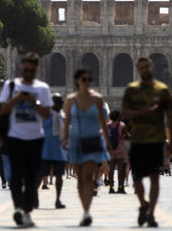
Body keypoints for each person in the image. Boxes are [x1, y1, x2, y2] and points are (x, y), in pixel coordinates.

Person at [0, 52, 53, 227]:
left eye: (32, 69)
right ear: (22, 67)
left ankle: (26, 210)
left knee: (32, 177)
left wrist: (32, 102)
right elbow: (2, 111)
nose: (29, 72)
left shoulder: (42, 88)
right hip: (15, 137)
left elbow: (46, 115)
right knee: (15, 176)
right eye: (26, 68)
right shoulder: (11, 85)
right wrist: (16, 98)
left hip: (35, 138)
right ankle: (19, 208)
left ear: (36, 68)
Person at [122, 57, 172, 228]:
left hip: (156, 139)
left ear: (151, 68)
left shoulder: (162, 90)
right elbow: (125, 113)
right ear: (138, 69)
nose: (145, 70)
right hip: (137, 139)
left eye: (147, 67)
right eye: (142, 67)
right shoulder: (132, 90)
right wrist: (143, 111)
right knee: (136, 178)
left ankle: (151, 213)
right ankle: (143, 204)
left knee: (155, 178)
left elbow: (170, 117)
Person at [62, 68, 111, 227]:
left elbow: (104, 122)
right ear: (77, 81)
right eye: (84, 80)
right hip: (76, 141)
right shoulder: (70, 100)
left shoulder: (98, 99)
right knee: (80, 179)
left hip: (93, 140)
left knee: (88, 177)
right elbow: (66, 121)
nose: (87, 82)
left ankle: (86, 211)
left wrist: (107, 141)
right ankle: (84, 208)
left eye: (89, 80)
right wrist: (64, 139)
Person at [40, 93, 68, 209]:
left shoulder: (62, 115)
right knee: (40, 174)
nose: (62, 104)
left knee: (59, 176)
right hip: (46, 149)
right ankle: (33, 197)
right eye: (60, 102)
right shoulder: (45, 115)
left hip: (59, 150)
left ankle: (58, 199)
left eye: (62, 102)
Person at [107, 110, 129, 194]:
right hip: (120, 149)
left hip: (111, 150)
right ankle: (120, 187)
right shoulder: (122, 125)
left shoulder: (108, 125)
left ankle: (111, 187)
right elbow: (127, 136)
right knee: (121, 169)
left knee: (111, 169)